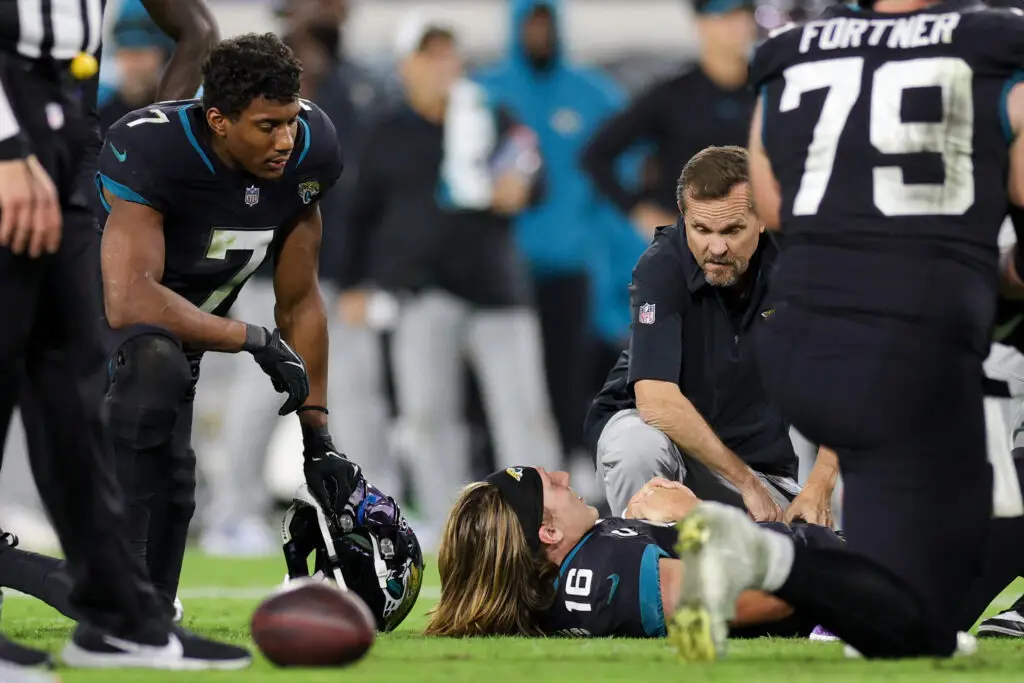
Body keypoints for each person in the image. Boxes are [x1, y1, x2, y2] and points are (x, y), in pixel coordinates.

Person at [663, 0, 1024, 662]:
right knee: (960, 555)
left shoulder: (794, 48)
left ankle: (757, 556)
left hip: (804, 339)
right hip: (917, 343)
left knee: (909, 623)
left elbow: (770, 205)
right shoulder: (992, 39)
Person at [93, 32, 387, 649]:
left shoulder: (311, 148)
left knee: (177, 471)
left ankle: (146, 609)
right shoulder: (152, 147)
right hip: (89, 317)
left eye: (290, 119)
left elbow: (301, 299)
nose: (285, 140)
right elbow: (130, 297)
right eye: (266, 126)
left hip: (189, 328)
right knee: (153, 373)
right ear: (218, 119)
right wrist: (251, 338)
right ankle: (110, 597)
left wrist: (318, 438)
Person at [0, 0, 250, 672]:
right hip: (11, 132)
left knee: (72, 386)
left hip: (68, 137)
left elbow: (195, 24)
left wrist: (141, 141)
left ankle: (116, 618)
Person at [337, 11, 560, 544]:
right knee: (428, 417)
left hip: (497, 291)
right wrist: (351, 283)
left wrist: (521, 187)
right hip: (420, 292)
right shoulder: (385, 131)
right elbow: (356, 213)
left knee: (523, 414)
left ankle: (545, 523)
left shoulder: (488, 114)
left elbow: (534, 171)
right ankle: (449, 530)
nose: (441, 66)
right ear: (406, 65)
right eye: (428, 55)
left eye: (447, 54)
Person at [200, 0, 396, 557]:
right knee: (260, 395)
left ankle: (371, 509)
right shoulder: (249, 85)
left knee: (358, 398)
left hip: (338, 273)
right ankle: (230, 513)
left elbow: (370, 196)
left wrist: (366, 275)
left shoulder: (356, 88)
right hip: (270, 273)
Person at [585, 146, 838, 523]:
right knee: (634, 445)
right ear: (684, 218)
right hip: (666, 448)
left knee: (806, 561)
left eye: (732, 230)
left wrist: (820, 486)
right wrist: (747, 485)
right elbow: (656, 401)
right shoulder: (662, 267)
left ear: (763, 219)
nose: (716, 248)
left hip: (757, 466)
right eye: (701, 230)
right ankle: (643, 560)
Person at [476, 0, 629, 473]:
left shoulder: (594, 94)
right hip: (497, 268)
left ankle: (567, 466)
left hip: (569, 264)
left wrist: (611, 264)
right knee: (496, 385)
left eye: (546, 22)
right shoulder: (485, 92)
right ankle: (491, 477)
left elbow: (618, 186)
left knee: (568, 376)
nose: (539, 33)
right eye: (532, 22)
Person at [424, 465, 843, 638]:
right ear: (548, 531)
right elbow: (769, 595)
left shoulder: (579, 557)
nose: (563, 474)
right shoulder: (612, 577)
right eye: (551, 483)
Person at [580, 0, 757, 237]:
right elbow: (596, 154)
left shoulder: (772, 91)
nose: (738, 26)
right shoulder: (674, 95)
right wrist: (638, 210)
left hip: (756, 247)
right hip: (689, 250)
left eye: (744, 15)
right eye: (725, 16)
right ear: (702, 23)